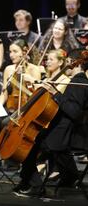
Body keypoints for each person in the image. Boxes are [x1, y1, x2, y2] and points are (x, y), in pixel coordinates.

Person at [13, 49, 88, 197]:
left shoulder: (79, 82)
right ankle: (69, 177)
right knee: (35, 142)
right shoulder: (79, 82)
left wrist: (56, 94)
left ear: (71, 63)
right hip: (64, 131)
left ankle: (35, 186)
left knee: (28, 147)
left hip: (67, 134)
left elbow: (74, 111)